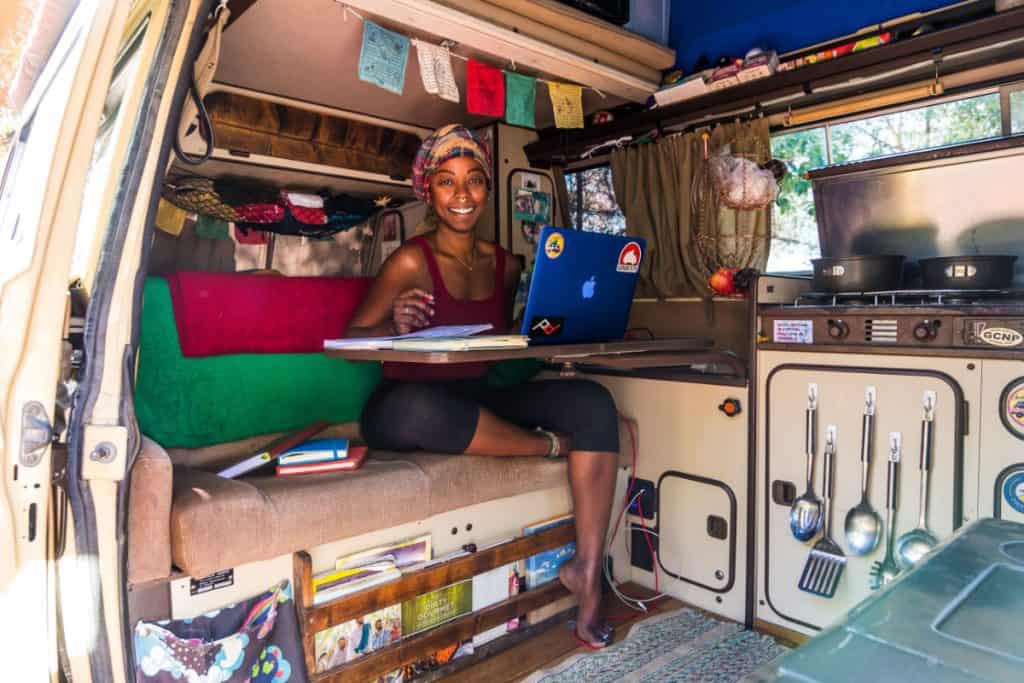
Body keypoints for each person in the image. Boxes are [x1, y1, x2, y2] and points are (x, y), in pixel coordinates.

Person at [346, 124, 619, 649]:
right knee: (422, 406)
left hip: (474, 396)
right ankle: (547, 446)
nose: (462, 195)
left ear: (487, 188)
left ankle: (586, 572)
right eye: (447, 182)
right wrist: (394, 324)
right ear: (429, 191)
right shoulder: (408, 260)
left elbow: (505, 337)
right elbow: (354, 337)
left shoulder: (507, 264)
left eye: (473, 180)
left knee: (593, 401)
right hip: (404, 408)